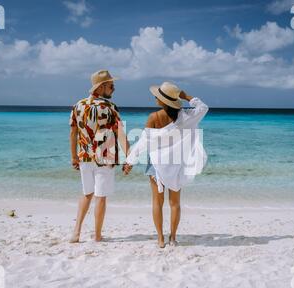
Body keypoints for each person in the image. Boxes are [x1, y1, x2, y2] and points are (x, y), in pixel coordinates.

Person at [123, 82, 209, 248]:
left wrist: (130, 161)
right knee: (175, 203)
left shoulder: (154, 117)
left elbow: (143, 142)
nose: (155, 97)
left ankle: (160, 239)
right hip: (176, 165)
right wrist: (185, 96)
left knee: (157, 202)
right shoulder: (187, 116)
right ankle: (173, 238)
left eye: (158, 96)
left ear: (163, 101)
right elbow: (203, 107)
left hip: (156, 165)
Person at [69, 70, 129, 243]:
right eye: (111, 85)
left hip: (85, 157)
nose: (114, 88)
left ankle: (76, 232)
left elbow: (73, 133)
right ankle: (97, 235)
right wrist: (129, 157)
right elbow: (121, 134)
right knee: (100, 197)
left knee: (87, 194)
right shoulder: (110, 107)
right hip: (105, 158)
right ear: (101, 87)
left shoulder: (78, 105)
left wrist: (74, 157)